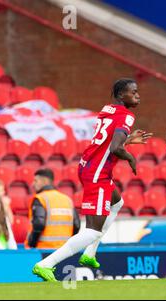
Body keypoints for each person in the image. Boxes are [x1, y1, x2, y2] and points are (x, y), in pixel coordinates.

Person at [32, 78, 152, 281]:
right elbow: (115, 148)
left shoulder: (107, 110)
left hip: (88, 165)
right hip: (97, 173)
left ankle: (89, 254)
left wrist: (128, 141)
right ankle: (45, 264)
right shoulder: (127, 116)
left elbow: (107, 142)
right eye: (133, 92)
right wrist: (130, 157)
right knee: (92, 232)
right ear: (121, 95)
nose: (138, 95)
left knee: (117, 202)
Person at [25, 168, 80, 249]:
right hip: (65, 250)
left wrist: (31, 243)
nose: (33, 184)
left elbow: (38, 225)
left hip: (44, 250)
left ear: (44, 181)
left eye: (36, 181)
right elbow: (76, 225)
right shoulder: (67, 200)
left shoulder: (40, 199)